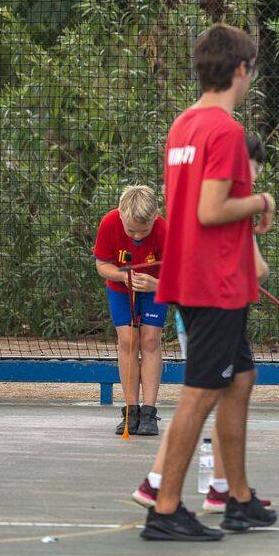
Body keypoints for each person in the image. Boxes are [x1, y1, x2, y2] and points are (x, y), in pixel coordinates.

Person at [139, 23, 276, 542]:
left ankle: (238, 498)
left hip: (197, 273)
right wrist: (262, 202)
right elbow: (210, 208)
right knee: (199, 395)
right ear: (242, 70)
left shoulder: (183, 125)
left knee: (240, 379)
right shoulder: (225, 131)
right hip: (213, 280)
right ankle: (166, 509)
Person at [133, 132, 272, 515]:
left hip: (198, 306)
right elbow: (258, 269)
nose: (255, 178)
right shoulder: (230, 204)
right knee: (202, 397)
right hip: (214, 306)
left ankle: (224, 489)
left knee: (228, 389)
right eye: (253, 170)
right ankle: (158, 484)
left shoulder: (196, 193)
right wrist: (259, 209)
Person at [93, 185, 167, 437]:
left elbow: (178, 275)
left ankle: (149, 412)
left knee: (150, 340)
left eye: (143, 231)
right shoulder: (109, 223)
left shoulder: (164, 230)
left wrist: (154, 283)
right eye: (131, 230)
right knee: (128, 340)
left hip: (154, 288)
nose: (136, 236)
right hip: (120, 288)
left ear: (155, 217)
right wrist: (122, 276)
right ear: (121, 215)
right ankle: (130, 410)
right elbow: (102, 265)